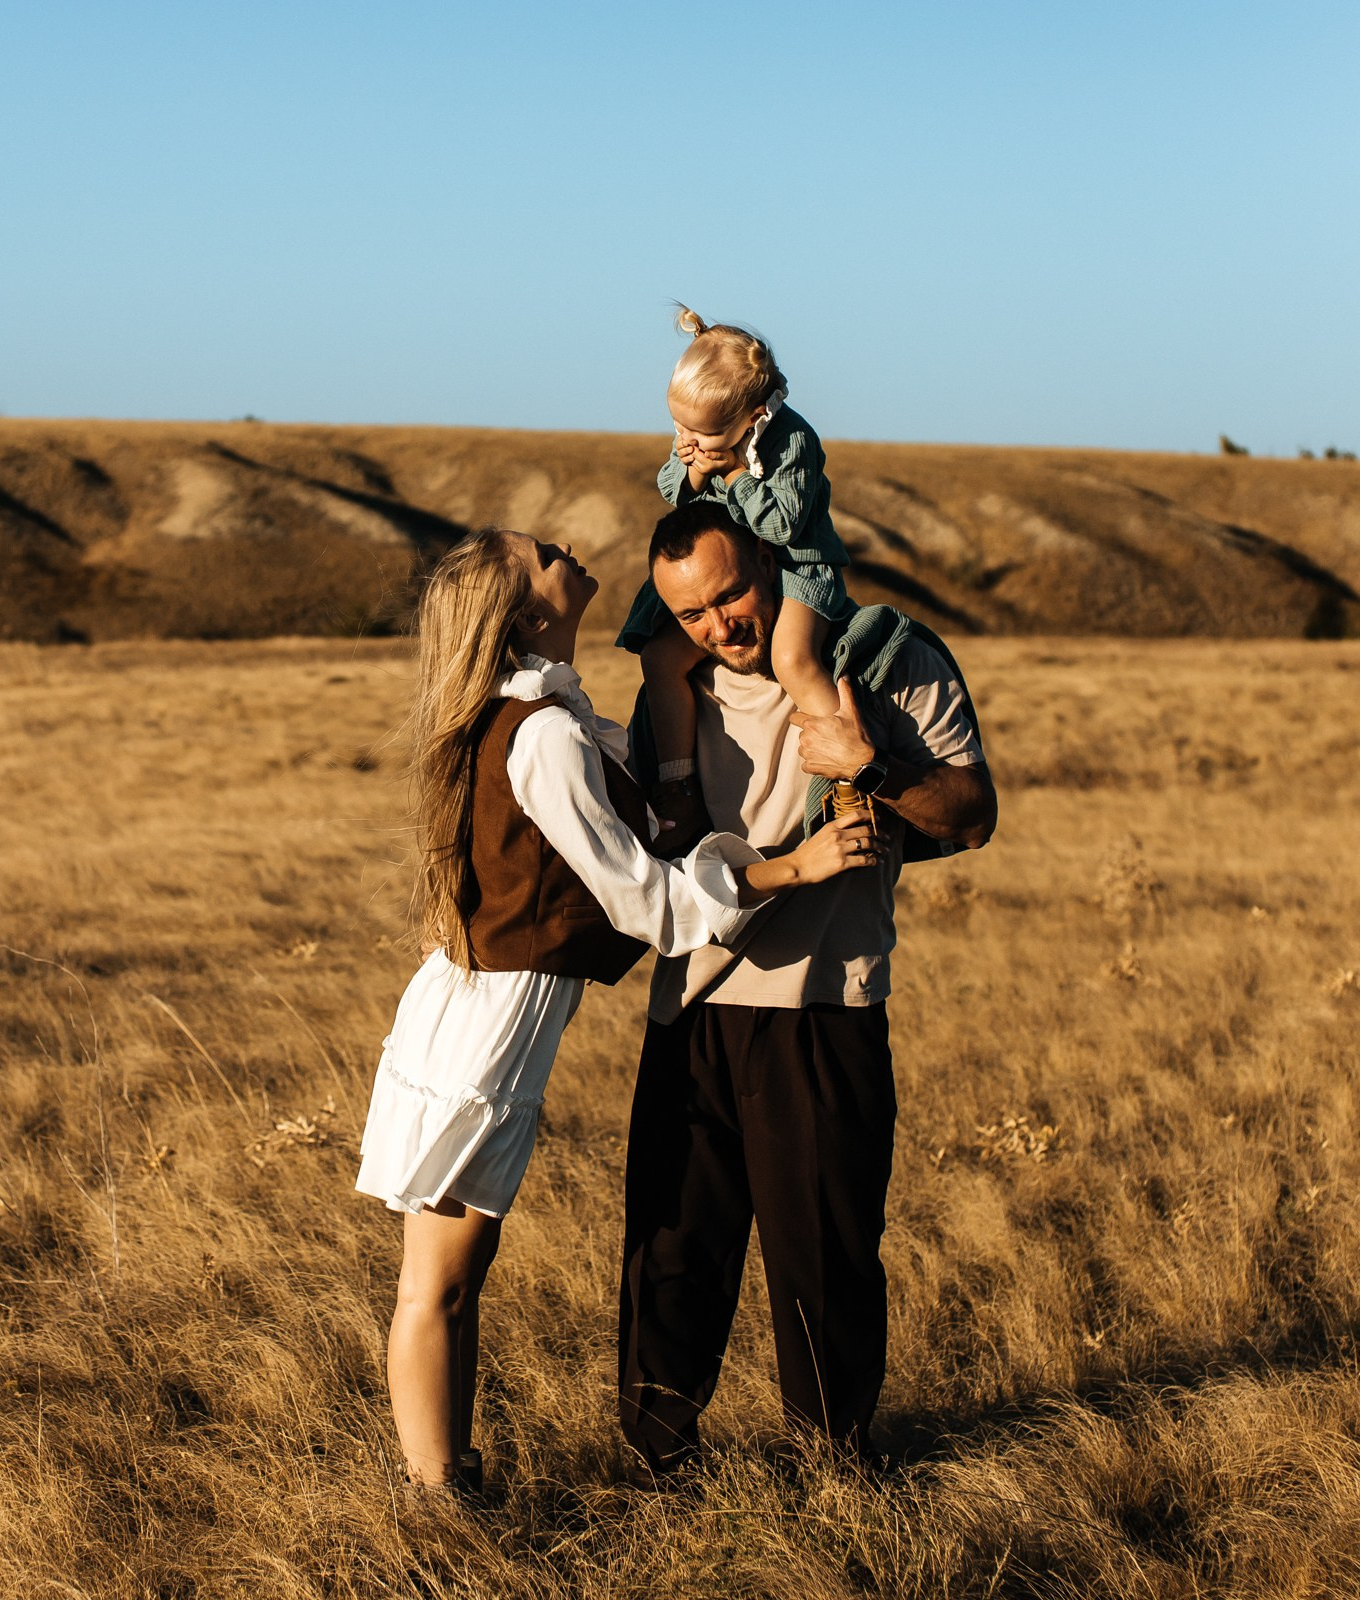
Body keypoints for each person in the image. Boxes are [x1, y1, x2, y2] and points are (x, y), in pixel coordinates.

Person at [353, 525, 881, 1499]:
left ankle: (454, 1477)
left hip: (487, 1007)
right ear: (525, 611)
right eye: (543, 550)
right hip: (485, 1025)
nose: (567, 543)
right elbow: (648, 899)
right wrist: (791, 868)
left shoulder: (545, 714)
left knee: (455, 1281)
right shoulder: (544, 734)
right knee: (438, 1284)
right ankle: (435, 1505)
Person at [617, 501, 998, 1476]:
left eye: (733, 592)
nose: (720, 625)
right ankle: (659, 1456)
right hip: (692, 1006)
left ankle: (837, 1472)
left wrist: (871, 763)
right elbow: (653, 848)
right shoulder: (678, 683)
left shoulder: (885, 659)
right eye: (693, 612)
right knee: (674, 1249)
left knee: (824, 1258)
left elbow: (971, 814)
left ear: (772, 562)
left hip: (828, 1006)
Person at [614, 308, 856, 854]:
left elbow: (783, 523)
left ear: (751, 416)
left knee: (793, 660)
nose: (690, 438)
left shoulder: (793, 441)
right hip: (726, 563)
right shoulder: (703, 434)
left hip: (795, 566)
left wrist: (732, 474)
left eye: (702, 433)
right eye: (681, 428)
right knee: (660, 657)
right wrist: (696, 468)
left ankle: (845, 775)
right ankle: (675, 780)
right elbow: (672, 490)